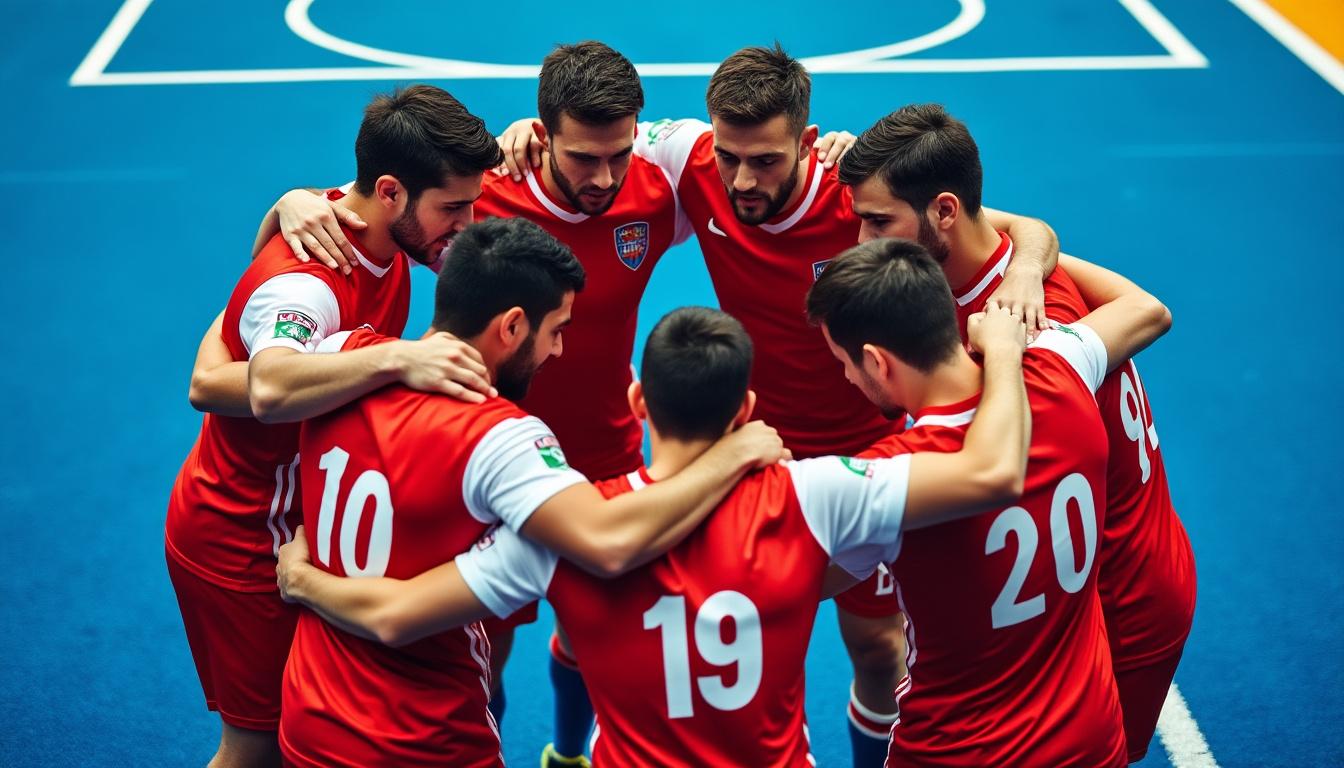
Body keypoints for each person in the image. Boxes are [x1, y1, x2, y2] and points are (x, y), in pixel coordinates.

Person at [275, 299, 1034, 766]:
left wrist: (305, 579)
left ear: (639, 401)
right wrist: (1003, 353)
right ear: (747, 409)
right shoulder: (817, 496)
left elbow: (392, 613)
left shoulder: (559, 533)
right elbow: (991, 471)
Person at [273, 218, 786, 767]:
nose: (560, 350)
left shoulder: (337, 359)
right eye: (556, 329)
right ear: (512, 327)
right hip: (422, 741)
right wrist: (729, 456)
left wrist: (282, 210)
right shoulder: (498, 437)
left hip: (308, 723)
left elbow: (233, 370)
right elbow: (607, 539)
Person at [839, 103, 1197, 762]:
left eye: (877, 221)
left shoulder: (1016, 348)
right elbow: (1145, 306)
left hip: (1113, 592)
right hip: (1118, 557)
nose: (863, 240)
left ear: (944, 212)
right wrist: (1033, 249)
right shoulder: (1028, 284)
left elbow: (990, 475)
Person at [165, 84, 500, 767]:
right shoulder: (311, 281)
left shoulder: (364, 233)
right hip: (242, 532)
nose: (468, 223)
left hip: (302, 520)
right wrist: (401, 357)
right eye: (453, 208)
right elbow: (273, 382)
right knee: (255, 750)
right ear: (390, 192)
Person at [807, 238, 1173, 766]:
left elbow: (802, 581)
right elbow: (1144, 309)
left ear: (876, 361)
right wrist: (1019, 284)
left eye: (843, 362)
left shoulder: (889, 478)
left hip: (959, 750)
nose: (844, 377)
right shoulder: (1063, 368)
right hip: (1090, 737)